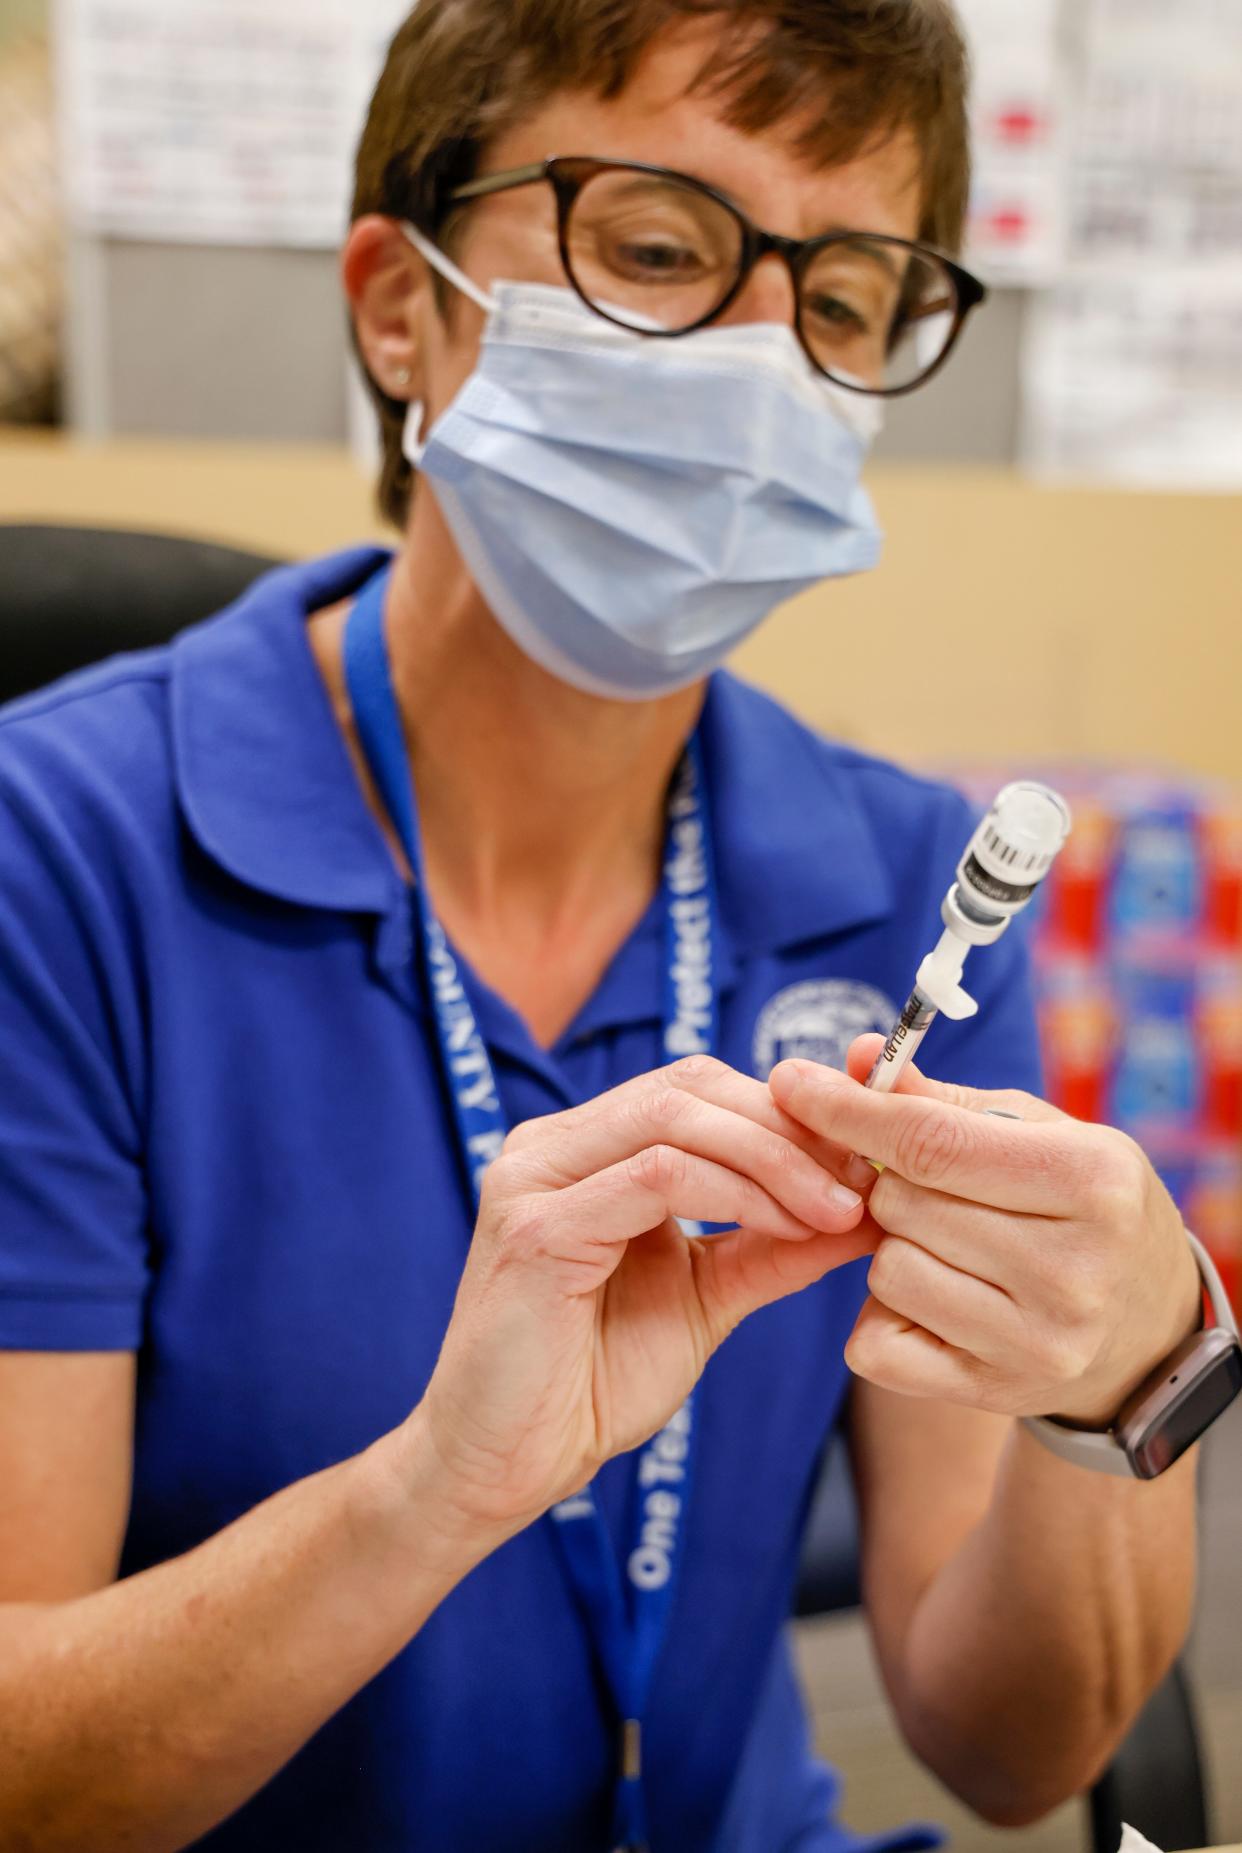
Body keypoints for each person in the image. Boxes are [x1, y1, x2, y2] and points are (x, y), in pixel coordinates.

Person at [0, 3, 1211, 1849]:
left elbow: (1004, 1748)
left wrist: (1120, 1386)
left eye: (839, 301)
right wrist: (430, 1493)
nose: (755, 366)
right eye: (652, 249)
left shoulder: (906, 881)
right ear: (399, 309)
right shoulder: (59, 854)